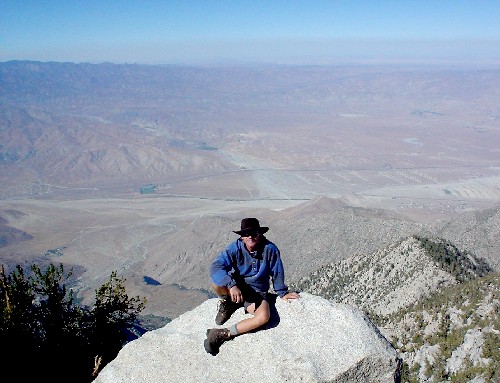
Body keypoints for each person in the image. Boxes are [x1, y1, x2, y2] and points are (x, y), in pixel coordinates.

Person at [204, 217, 300, 355]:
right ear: (241, 237)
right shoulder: (234, 248)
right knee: (216, 282)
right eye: (246, 234)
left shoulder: (270, 249)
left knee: (263, 317)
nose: (250, 236)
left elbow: (277, 271)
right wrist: (231, 285)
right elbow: (216, 267)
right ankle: (229, 302)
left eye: (254, 232)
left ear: (260, 233)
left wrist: (282, 292)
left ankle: (221, 334)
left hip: (256, 293)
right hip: (236, 288)